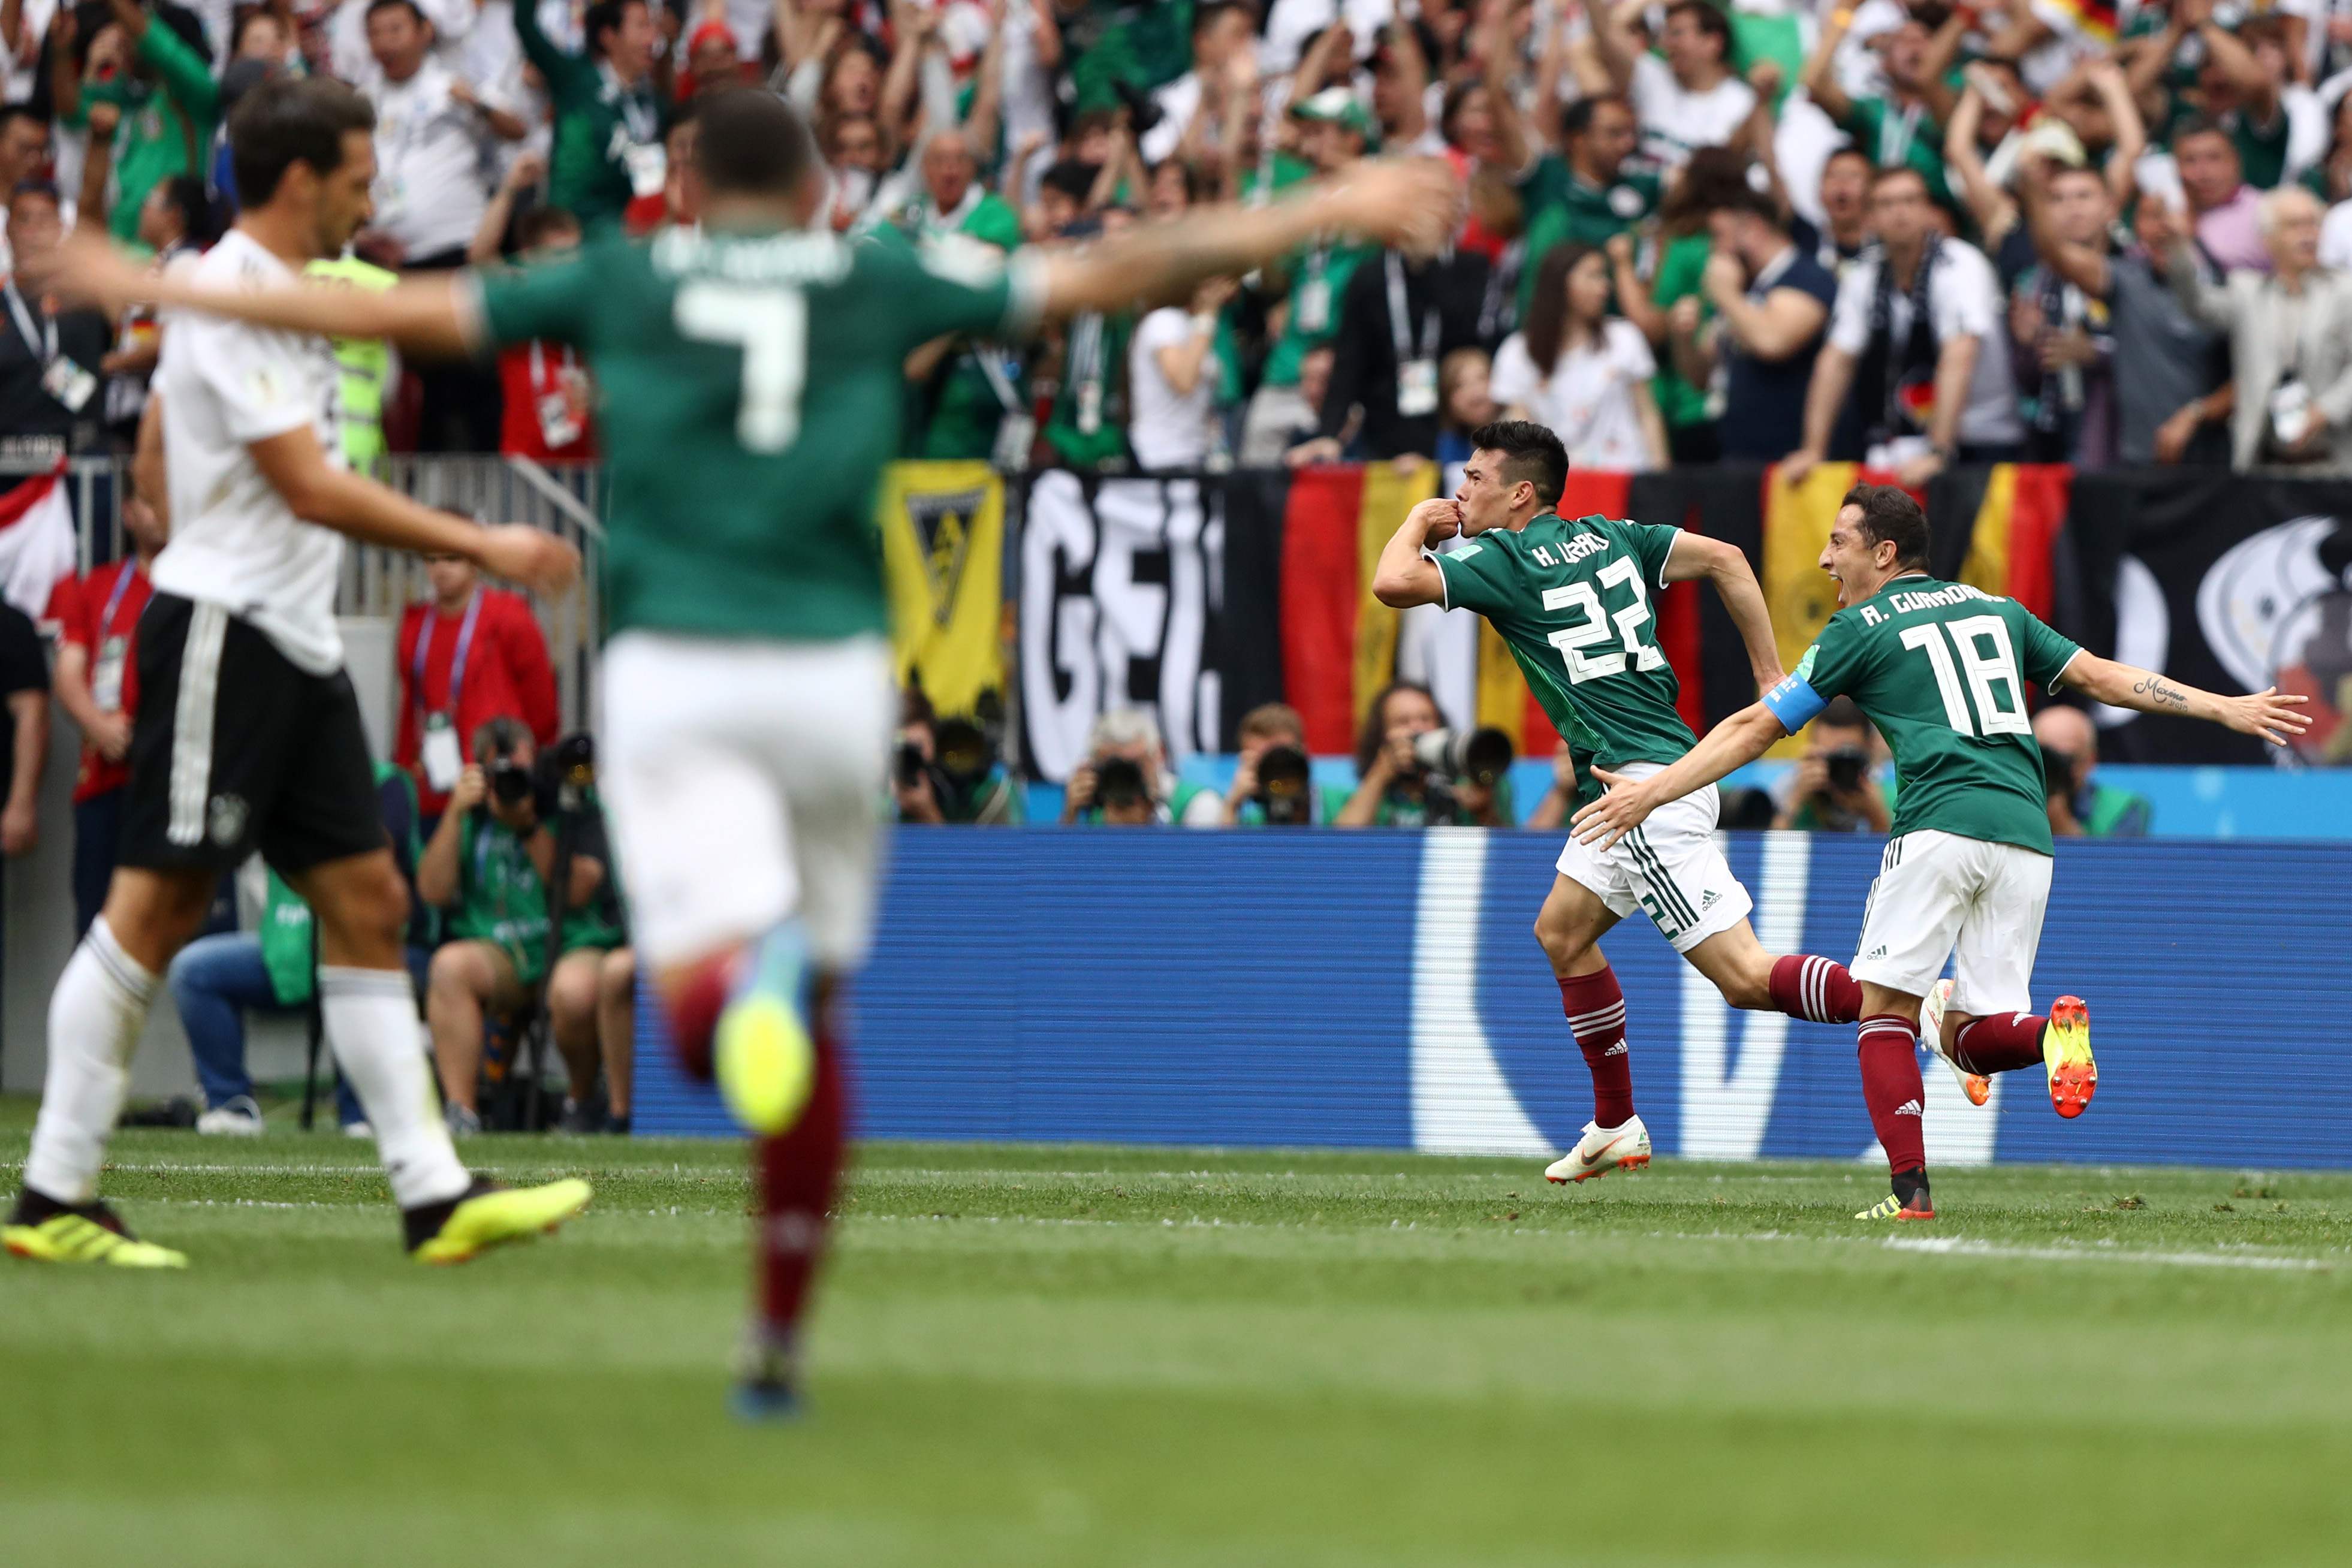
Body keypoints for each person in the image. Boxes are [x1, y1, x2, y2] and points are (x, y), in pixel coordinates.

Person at [54, 88, 1461, 1403]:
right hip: (833, 670)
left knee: (690, 1000)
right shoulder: (868, 271)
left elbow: (418, 314)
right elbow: (1112, 269)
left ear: (679, 185)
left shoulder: (627, 273)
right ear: (812, 186)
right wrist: (1323, 201)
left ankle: (733, 988)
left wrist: (152, 281)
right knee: (816, 1011)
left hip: (674, 671)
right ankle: (777, 1324)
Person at [4, 77, 587, 1273]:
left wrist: (167, 476)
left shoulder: (271, 291)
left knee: (369, 906)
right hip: (229, 633)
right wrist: (489, 545)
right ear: (299, 181)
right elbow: (311, 487)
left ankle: (432, 1196)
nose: (374, 202)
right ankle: (51, 1195)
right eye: (361, 179)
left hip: (295, 639)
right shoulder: (236, 295)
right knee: (153, 913)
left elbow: (176, 422)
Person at [1570, 484, 2308, 1222]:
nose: (1825, 559)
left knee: (1885, 1015)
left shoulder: (1859, 627)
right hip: (2025, 837)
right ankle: (2053, 1034)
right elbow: (2103, 678)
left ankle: (1910, 1195)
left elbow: (1758, 728)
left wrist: (1656, 790)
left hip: (1937, 828)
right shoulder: (1997, 609)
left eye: (1840, 543)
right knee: (1970, 1040)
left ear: (1884, 553)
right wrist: (2221, 705)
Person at [1369, 420, 1877, 1186]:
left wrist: (1415, 523)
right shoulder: (1612, 536)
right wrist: (1770, 672)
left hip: (1640, 791)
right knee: (1563, 934)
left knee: (1742, 976)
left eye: (1474, 478)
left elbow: (1393, 583)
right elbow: (1730, 560)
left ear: (1520, 494)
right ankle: (1615, 1124)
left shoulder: (1503, 556)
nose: (1460, 491)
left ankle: (1911, 1010)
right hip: (1648, 776)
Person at [418, 717, 613, 1136]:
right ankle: (462, 1113)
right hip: (504, 950)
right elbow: (432, 891)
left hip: (571, 942)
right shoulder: (474, 815)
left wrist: (528, 825)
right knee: (449, 967)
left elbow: (578, 891)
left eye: (518, 770)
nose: (510, 781)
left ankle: (580, 1101)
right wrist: (454, 814)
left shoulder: (567, 796)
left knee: (573, 991)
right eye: (498, 774)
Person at [1786, 166, 2024, 489]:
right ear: (1868, 217)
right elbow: (1836, 360)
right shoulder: (1866, 274)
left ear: (1928, 211)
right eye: (1887, 204)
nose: (1900, 212)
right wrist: (1814, 449)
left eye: (1910, 201)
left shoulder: (1961, 265)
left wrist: (1940, 450)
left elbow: (1959, 357)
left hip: (1983, 435)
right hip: (1907, 439)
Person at [2165, 183, 2352, 475]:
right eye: (2294, 225)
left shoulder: (2345, 291)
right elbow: (2198, 307)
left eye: (2312, 224)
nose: (2307, 235)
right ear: (2268, 239)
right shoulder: (2247, 291)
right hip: (2265, 467)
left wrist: (2325, 411)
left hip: (2332, 465)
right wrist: (2179, 250)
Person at [47, 481, 165, 939]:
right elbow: (68, 672)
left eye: (165, 502)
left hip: (176, 789)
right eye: (147, 503)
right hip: (104, 782)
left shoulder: (199, 589)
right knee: (97, 932)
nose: (157, 514)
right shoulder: (97, 587)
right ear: (128, 513)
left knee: (189, 937)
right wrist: (100, 724)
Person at [395, 548, 560, 824]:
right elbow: (410, 709)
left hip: (497, 787)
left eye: (452, 558)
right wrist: (404, 776)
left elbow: (542, 709)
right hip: (433, 790)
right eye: (432, 559)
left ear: (476, 563)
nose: (441, 569)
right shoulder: (415, 623)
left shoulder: (510, 616)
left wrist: (527, 768)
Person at [1489, 240, 1666, 472]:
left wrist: (1661, 478)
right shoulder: (1517, 352)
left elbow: (1648, 414)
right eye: (1593, 276)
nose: (1605, 286)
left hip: (1627, 478)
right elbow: (1520, 436)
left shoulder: (1624, 337)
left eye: (1604, 276)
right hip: (1563, 488)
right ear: (1559, 284)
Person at [1696, 185, 1837, 463]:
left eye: (1720, 236)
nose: (1715, 249)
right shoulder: (1745, 288)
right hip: (1739, 454)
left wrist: (1726, 294)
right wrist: (1683, 336)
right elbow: (1701, 373)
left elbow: (1773, 342)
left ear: (1754, 229)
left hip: (1791, 460)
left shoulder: (1807, 276)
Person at [515, 0, 664, 236]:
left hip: (630, 235)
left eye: (653, 28)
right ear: (609, 36)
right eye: (642, 27)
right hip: (570, 235)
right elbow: (524, 23)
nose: (652, 39)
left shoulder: (652, 102)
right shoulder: (575, 80)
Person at [0, 183, 108, 455]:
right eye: (25, 220)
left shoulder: (84, 305)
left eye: (46, 221)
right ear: (7, 232)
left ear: (61, 230)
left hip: (74, 461)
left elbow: (92, 390)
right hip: (7, 468)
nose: (34, 233)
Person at [1588, 0, 1756, 171]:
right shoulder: (1654, 76)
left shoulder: (1743, 103)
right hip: (1634, 191)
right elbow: (1608, 35)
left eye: (1677, 34)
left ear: (1713, 43)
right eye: (1666, 35)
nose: (1667, 44)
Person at [1060, 707, 1219, 826]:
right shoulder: (1096, 811)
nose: (1125, 778)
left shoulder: (1198, 806)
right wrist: (1070, 818)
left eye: (1135, 766)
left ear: (1160, 755)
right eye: (1115, 768)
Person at [1771, 696, 1892, 832]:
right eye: (1828, 757)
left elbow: (1899, 851)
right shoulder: (1793, 786)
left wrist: (1876, 815)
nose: (1838, 767)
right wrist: (1796, 800)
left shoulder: (1894, 792)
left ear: (1870, 747)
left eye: (1846, 756)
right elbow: (1771, 849)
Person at [2032, 703, 2151, 838]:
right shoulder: (2010, 802)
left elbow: (2117, 859)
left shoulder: (2124, 809)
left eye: (2069, 759)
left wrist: (2061, 824)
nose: (2057, 768)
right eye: (2046, 758)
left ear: (2091, 760)